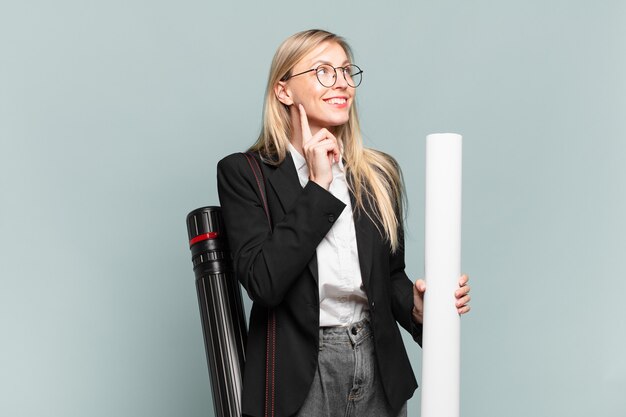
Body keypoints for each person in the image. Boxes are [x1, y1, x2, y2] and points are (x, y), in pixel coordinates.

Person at [217, 29, 471, 417]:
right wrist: (318, 185)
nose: (342, 83)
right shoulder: (246, 173)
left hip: (377, 368)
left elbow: (390, 276)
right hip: (299, 376)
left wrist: (419, 308)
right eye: (323, 71)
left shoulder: (377, 174)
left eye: (346, 71)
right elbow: (264, 282)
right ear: (284, 91)